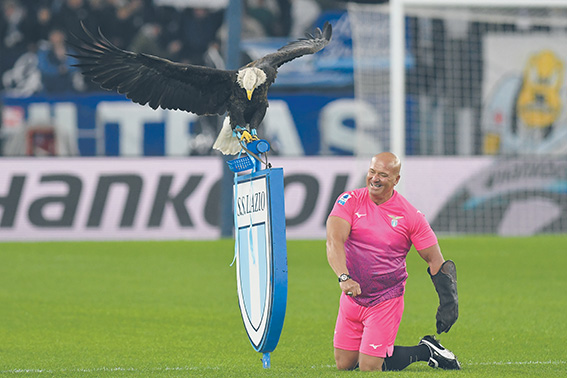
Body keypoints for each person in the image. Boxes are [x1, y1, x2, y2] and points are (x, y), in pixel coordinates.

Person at [326, 152, 460, 372]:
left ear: (396, 180)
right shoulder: (349, 201)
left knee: (369, 367)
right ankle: (417, 349)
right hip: (352, 296)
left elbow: (434, 259)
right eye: (372, 172)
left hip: (385, 299)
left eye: (383, 175)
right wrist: (344, 277)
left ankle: (426, 351)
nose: (375, 178)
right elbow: (334, 241)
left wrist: (449, 302)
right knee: (344, 364)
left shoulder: (410, 216)